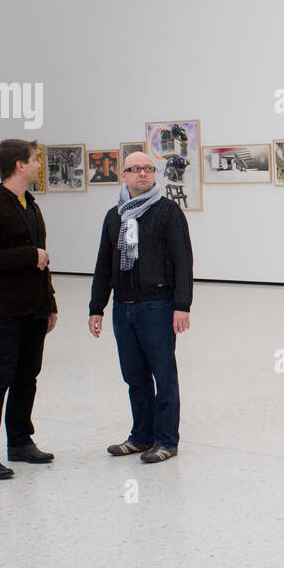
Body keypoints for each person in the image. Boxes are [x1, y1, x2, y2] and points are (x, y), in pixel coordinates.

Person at [88, 152, 194, 462]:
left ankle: (166, 440)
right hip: (124, 307)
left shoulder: (167, 212)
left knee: (163, 375)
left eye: (148, 169)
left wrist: (182, 305)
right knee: (134, 376)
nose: (143, 174)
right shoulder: (115, 216)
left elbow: (183, 262)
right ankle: (141, 436)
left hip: (157, 306)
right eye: (135, 170)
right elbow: (103, 266)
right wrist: (97, 307)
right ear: (123, 175)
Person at [0, 139, 58, 479]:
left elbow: (43, 257)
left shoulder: (30, 204)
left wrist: (50, 303)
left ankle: (20, 441)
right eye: (35, 159)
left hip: (35, 306)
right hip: (6, 308)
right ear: (18, 165)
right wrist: (27, 256)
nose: (38, 165)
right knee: (0, 377)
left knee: (27, 376)